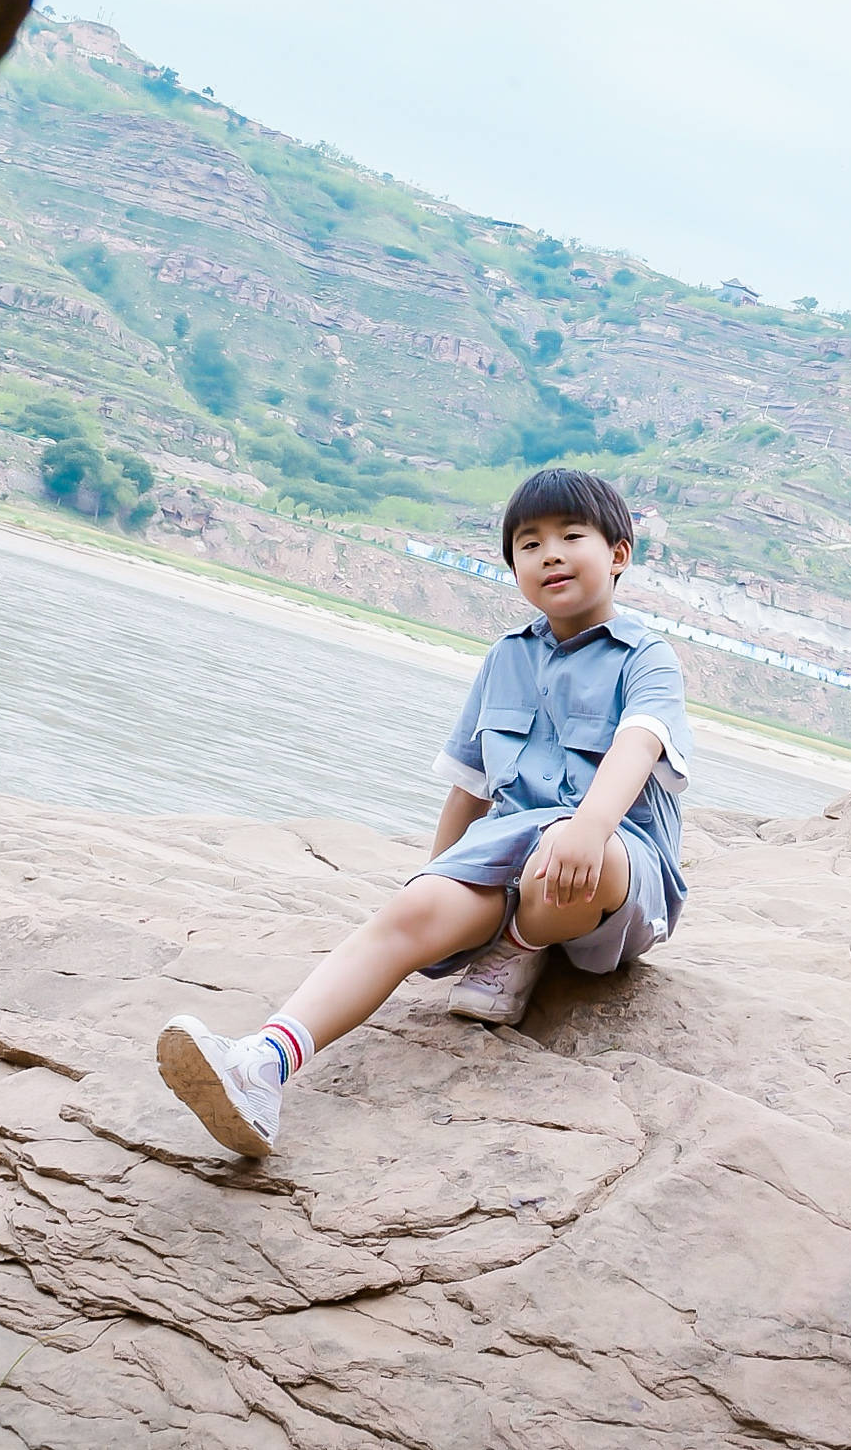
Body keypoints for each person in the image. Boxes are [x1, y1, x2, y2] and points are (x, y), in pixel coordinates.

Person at [155, 464, 690, 1159]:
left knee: (560, 845)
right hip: (510, 861)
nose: (550, 553)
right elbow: (469, 788)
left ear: (618, 554)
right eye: (529, 544)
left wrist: (589, 826)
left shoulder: (647, 657)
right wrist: (435, 886)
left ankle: (519, 951)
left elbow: (639, 744)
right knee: (411, 913)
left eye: (571, 535)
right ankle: (262, 1065)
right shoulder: (506, 658)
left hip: (616, 867)